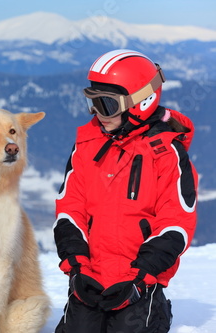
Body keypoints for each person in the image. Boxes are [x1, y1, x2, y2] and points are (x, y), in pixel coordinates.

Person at [53, 49, 198, 333]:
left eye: (106, 105)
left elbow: (176, 223)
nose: (97, 114)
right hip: (90, 275)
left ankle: (156, 310)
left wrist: (142, 277)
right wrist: (76, 266)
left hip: (138, 278)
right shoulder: (87, 145)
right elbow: (70, 208)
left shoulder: (167, 154)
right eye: (91, 103)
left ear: (140, 102)